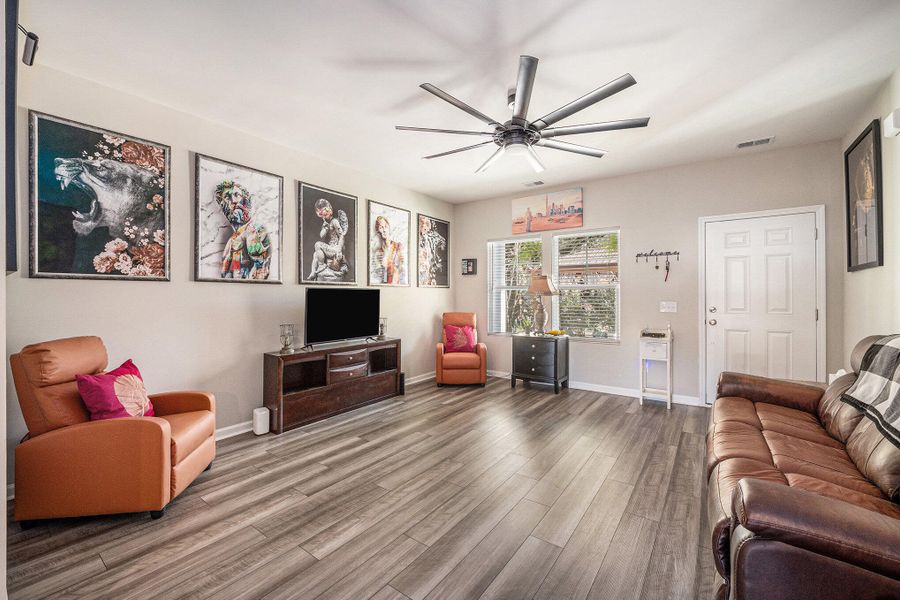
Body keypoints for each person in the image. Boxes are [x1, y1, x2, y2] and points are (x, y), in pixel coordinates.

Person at [307, 198, 349, 281]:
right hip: (329, 248)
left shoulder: (334, 222)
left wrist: (339, 249)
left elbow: (341, 236)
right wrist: (325, 228)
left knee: (317, 244)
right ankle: (313, 272)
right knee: (316, 254)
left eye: (325, 215)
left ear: (330, 211)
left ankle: (322, 266)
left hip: (335, 248)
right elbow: (321, 236)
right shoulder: (326, 223)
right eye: (322, 216)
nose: (324, 217)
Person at [371, 214, 406, 284]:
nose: (384, 230)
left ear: (389, 228)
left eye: (385, 227)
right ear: (378, 231)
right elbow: (378, 274)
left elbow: (402, 268)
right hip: (386, 285)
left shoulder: (398, 246)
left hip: (397, 283)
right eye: (381, 227)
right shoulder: (378, 252)